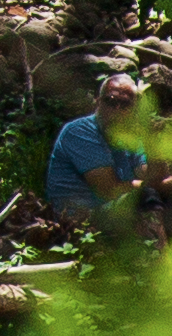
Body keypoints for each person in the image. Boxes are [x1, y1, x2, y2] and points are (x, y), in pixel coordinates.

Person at [45, 75, 160, 226]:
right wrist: (156, 185)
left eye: (125, 104)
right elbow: (109, 190)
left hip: (115, 211)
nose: (116, 109)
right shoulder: (79, 132)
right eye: (110, 101)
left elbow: (154, 176)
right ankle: (158, 248)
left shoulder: (130, 137)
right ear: (98, 102)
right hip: (81, 220)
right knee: (146, 196)